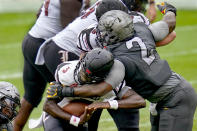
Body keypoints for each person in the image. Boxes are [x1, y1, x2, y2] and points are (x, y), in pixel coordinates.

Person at [47, 3, 197, 131]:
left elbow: (99, 90)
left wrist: (64, 90)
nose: (100, 34)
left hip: (175, 99)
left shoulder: (119, 61)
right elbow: (169, 23)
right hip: (167, 96)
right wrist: (169, 10)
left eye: (104, 31)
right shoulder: (144, 30)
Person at [13, 0, 85, 130]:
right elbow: (69, 27)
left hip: (34, 39)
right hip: (47, 46)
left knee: (30, 98)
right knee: (65, 97)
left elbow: (39, 12)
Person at [44, 48, 146, 130]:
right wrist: (75, 120)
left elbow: (139, 101)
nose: (82, 76)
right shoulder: (66, 73)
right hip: (58, 114)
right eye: (83, 71)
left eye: (88, 76)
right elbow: (48, 105)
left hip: (86, 116)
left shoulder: (111, 85)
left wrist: (106, 104)